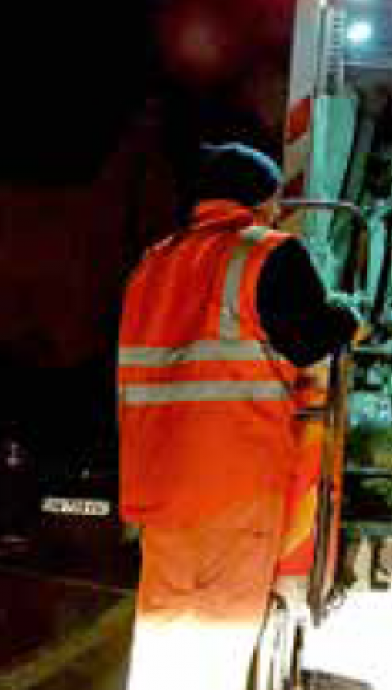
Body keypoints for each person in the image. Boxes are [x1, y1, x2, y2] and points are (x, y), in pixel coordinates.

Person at [116, 142, 359, 690]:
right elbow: (309, 340)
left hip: (157, 487)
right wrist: (348, 319)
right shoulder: (268, 252)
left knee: (163, 641)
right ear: (261, 201)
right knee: (215, 649)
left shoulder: (151, 263)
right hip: (234, 482)